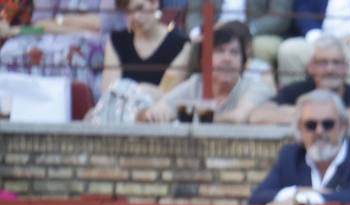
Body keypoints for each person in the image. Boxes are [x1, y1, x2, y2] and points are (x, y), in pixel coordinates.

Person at [248, 88, 350, 205]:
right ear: (300, 129)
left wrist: (303, 200)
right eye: (311, 125)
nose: (319, 131)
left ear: (343, 127)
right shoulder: (291, 156)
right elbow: (257, 197)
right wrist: (300, 192)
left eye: (328, 124)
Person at [142, 21, 272, 123]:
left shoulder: (255, 87)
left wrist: (190, 119)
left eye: (234, 52)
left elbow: (238, 118)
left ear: (242, 62)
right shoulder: (196, 84)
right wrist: (155, 115)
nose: (227, 59)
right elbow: (160, 110)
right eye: (220, 51)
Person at [84, 0, 189, 122]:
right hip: (119, 123)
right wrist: (143, 90)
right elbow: (109, 94)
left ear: (155, 3)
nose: (136, 17)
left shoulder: (181, 44)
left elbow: (166, 94)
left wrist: (126, 90)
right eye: (129, 11)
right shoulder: (117, 41)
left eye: (140, 8)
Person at [249, 34, 350, 126]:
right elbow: (257, 115)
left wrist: (296, 112)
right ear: (311, 67)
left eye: (336, 62)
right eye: (323, 62)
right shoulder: (296, 89)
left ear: (346, 68)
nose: (330, 69)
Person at [0, 0, 117, 101]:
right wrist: (78, 24)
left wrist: (60, 19)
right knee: (9, 52)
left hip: (97, 40)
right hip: (51, 36)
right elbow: (40, 23)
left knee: (71, 55)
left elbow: (103, 23)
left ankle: (78, 111)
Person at [277, 0, 350, 85]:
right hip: (319, 37)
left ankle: (345, 111)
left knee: (348, 61)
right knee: (289, 50)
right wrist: (315, 35)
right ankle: (297, 107)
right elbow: (303, 6)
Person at [185, 0, 292, 75]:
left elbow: (280, 17)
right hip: (215, 30)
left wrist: (248, 29)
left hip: (258, 32)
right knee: (190, 45)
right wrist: (199, 31)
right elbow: (194, 12)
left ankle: (254, 95)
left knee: (260, 47)